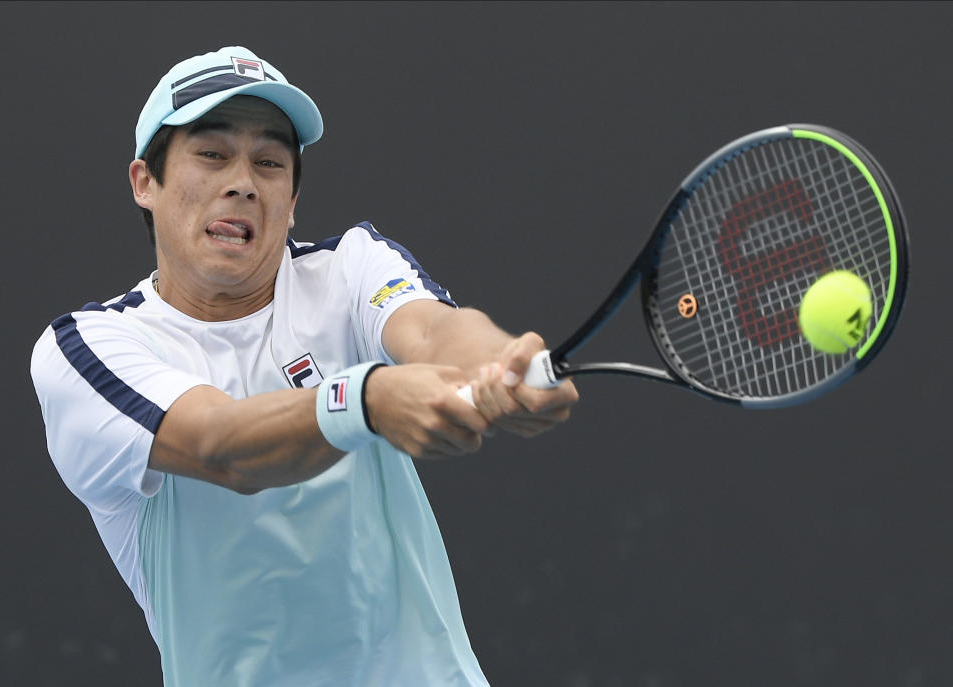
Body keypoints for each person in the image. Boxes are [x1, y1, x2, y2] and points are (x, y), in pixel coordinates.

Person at [30, 46, 578, 686]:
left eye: (269, 162)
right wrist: (365, 400)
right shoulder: (90, 349)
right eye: (212, 154)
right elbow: (220, 446)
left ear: (291, 202)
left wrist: (499, 365)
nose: (242, 181)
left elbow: (434, 330)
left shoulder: (348, 268)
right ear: (143, 182)